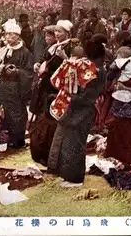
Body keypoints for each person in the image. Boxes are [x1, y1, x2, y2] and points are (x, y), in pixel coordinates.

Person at [47, 39, 106, 187]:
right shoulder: (90, 68)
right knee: (67, 143)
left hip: (83, 110)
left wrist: (69, 96)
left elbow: (86, 96)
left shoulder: (96, 72)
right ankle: (66, 174)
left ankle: (75, 178)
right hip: (77, 109)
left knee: (75, 144)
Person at [29, 20, 76, 166]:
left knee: (55, 118)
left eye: (60, 31)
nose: (57, 34)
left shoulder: (71, 47)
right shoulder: (52, 47)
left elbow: (77, 68)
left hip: (60, 87)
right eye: (55, 31)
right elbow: (44, 59)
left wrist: (64, 57)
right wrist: (38, 65)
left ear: (67, 33)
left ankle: (55, 151)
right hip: (47, 84)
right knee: (44, 116)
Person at [0, 22, 34, 152]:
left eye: (12, 34)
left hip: (16, 89)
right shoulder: (3, 50)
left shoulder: (25, 53)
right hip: (2, 88)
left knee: (15, 114)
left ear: (18, 36)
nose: (9, 36)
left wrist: (17, 72)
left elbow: (29, 72)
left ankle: (16, 140)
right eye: (7, 34)